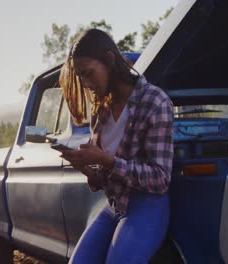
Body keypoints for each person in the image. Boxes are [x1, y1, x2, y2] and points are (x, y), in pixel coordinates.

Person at [58, 28, 174, 264]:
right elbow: (106, 176)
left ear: (109, 60)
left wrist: (107, 161)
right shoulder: (101, 109)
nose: (87, 84)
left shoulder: (155, 102)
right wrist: (89, 171)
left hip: (148, 206)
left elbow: (161, 179)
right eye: (81, 77)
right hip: (115, 206)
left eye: (89, 74)